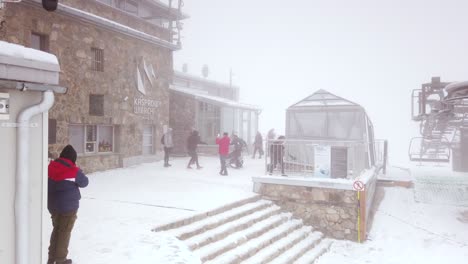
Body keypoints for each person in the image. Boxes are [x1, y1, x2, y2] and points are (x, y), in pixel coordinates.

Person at [47, 145, 89, 264]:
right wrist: (78, 170)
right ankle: (61, 260)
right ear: (72, 159)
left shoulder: (50, 167)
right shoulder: (73, 170)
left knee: (56, 230)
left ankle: (51, 258)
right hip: (68, 208)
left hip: (53, 206)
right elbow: (85, 182)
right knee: (64, 232)